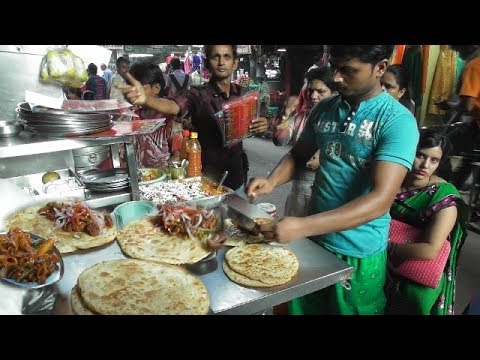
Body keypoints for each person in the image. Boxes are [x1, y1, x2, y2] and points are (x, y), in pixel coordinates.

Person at [247, 45, 419, 315]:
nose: (337, 78)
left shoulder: (397, 121)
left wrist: (302, 226)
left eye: (349, 71)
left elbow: (380, 201)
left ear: (381, 68)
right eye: (335, 68)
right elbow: (299, 154)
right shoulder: (325, 108)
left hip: (358, 251)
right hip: (314, 241)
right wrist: (271, 182)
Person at [119, 45, 268, 194]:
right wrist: (147, 100)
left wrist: (264, 123)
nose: (221, 62)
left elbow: (264, 125)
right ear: (207, 63)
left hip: (237, 177)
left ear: (235, 63)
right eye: (216, 57)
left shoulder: (245, 95)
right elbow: (174, 105)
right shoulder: (198, 95)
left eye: (226, 57)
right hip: (205, 180)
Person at [385, 128, 467, 315]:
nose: (425, 165)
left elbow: (430, 250)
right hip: (378, 262)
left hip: (415, 275)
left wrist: (386, 248)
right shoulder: (390, 177)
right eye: (420, 156)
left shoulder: (443, 198)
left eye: (434, 160)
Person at [272, 67, 336, 216]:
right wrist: (286, 113)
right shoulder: (302, 116)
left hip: (326, 193)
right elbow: (280, 140)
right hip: (299, 189)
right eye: (310, 91)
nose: (313, 96)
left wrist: (323, 160)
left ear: (334, 92)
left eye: (321, 91)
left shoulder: (340, 120)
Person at [128, 61, 183, 167]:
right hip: (137, 178)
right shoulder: (133, 116)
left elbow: (178, 155)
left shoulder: (170, 119)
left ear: (156, 88)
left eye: (138, 88)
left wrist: (159, 173)